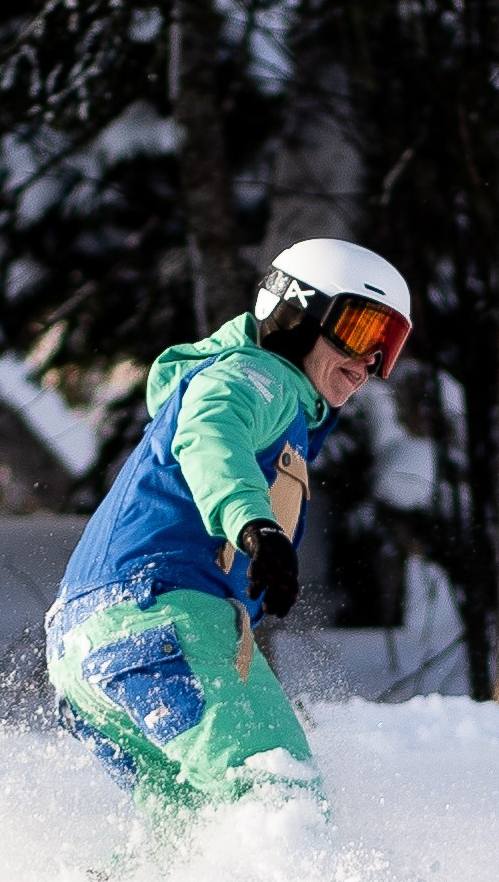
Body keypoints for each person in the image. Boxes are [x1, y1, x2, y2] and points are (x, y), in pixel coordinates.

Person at [45, 237, 412, 817]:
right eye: (361, 330)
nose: (369, 362)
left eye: (386, 347)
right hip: (161, 616)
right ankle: (302, 877)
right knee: (277, 794)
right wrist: (256, 527)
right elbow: (213, 433)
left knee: (189, 834)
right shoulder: (258, 376)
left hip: (90, 644)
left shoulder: (257, 390)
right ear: (296, 311)